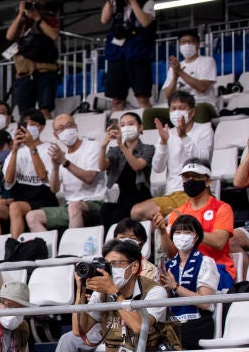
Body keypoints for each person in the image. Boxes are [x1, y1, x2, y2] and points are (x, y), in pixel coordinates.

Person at [54, 239, 168, 352]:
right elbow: (79, 331)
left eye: (115, 263)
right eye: (107, 264)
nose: (110, 269)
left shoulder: (155, 291)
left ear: (134, 266)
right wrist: (80, 290)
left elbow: (139, 327)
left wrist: (113, 291)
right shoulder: (102, 292)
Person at [131, 91, 213, 221]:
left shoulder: (204, 130)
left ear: (191, 112)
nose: (177, 112)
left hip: (196, 193)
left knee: (174, 219)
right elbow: (158, 168)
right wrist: (163, 143)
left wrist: (184, 137)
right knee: (137, 211)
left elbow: (203, 159)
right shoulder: (167, 133)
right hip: (171, 195)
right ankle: (162, 234)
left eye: (181, 108)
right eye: (173, 109)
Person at [154, 158, 235, 288]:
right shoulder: (177, 213)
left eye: (196, 177)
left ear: (207, 181)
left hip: (217, 269)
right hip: (184, 270)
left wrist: (191, 228)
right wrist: (163, 232)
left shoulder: (222, 208)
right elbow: (172, 253)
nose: (190, 180)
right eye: (186, 177)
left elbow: (219, 242)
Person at [25, 113, 107, 234]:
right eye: (61, 128)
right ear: (55, 135)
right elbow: (54, 189)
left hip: (95, 202)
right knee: (32, 216)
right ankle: (49, 250)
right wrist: (56, 167)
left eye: (69, 126)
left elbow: (89, 178)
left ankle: (72, 249)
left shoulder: (92, 146)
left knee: (75, 206)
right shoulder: (63, 156)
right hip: (69, 207)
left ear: (76, 127)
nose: (66, 130)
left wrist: (64, 162)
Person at [100, 0, 156, 112]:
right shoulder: (116, 1)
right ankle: (116, 130)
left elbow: (144, 22)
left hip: (138, 54)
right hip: (117, 54)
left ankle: (149, 127)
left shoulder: (147, 2)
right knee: (117, 99)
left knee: (142, 98)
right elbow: (104, 19)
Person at [160, 215, 218, 350]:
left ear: (196, 237)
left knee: (177, 334)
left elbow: (205, 302)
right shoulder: (169, 266)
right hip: (173, 320)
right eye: (178, 232)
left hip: (198, 322)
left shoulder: (205, 262)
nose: (182, 236)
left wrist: (176, 286)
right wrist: (165, 289)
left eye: (187, 232)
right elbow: (165, 302)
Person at [0, 112, 55, 238]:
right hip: (22, 197)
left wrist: (32, 147)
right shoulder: (18, 152)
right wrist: (15, 150)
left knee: (15, 206)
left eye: (33, 124)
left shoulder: (49, 148)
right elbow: (8, 180)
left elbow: (43, 177)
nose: (28, 128)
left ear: (42, 127)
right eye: (25, 125)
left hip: (44, 197)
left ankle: (14, 246)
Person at [5, 0, 60, 119]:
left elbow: (53, 35)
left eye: (36, 1)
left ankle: (47, 135)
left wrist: (38, 18)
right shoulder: (22, 19)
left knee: (45, 108)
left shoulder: (49, 17)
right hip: (24, 71)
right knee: (25, 113)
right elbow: (9, 36)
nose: (32, 4)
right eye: (30, 1)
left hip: (45, 69)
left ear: (43, 1)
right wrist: (20, 15)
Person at [145, 30, 218, 126]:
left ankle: (199, 139)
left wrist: (180, 72)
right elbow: (168, 95)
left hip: (201, 103)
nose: (187, 45)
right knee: (149, 113)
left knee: (199, 108)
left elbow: (203, 87)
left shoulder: (207, 61)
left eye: (190, 41)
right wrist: (175, 77)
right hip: (178, 108)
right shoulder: (175, 67)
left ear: (198, 44)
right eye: (183, 42)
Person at [98, 114, 155, 229]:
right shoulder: (115, 151)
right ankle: (104, 244)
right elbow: (102, 166)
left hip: (141, 198)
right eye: (122, 125)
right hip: (123, 198)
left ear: (140, 127)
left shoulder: (148, 148)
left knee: (117, 215)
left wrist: (121, 145)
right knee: (105, 209)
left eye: (131, 124)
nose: (126, 127)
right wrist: (103, 146)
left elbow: (137, 166)